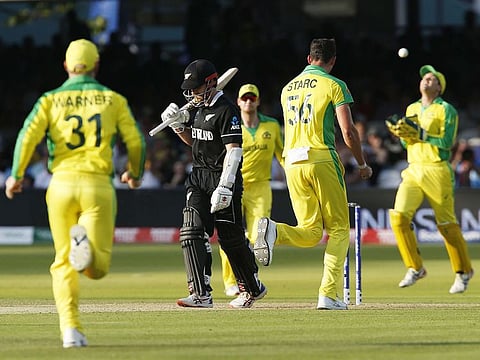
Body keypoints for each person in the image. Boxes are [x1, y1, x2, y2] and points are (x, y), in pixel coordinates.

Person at [4, 39, 146, 348]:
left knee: (62, 263)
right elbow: (135, 142)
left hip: (61, 185)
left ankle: (70, 329)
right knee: (98, 269)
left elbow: (27, 136)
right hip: (97, 185)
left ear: (66, 66)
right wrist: (134, 174)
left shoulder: (48, 100)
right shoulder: (113, 99)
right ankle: (86, 255)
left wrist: (16, 176)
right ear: (97, 65)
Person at [253, 38, 373, 310]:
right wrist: (362, 164)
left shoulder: (286, 89)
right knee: (340, 229)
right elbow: (349, 132)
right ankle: (328, 294)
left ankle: (276, 231)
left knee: (309, 231)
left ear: (309, 59)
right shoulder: (335, 85)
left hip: (292, 162)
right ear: (332, 61)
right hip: (321, 159)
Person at [159, 59, 267, 308]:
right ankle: (200, 294)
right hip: (199, 176)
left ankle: (251, 287)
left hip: (223, 177)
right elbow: (194, 141)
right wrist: (177, 125)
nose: (192, 93)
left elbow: (234, 150)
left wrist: (225, 186)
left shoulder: (227, 110)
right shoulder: (197, 108)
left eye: (196, 88)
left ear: (210, 83)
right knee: (191, 230)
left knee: (230, 238)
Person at [385, 65, 474, 293]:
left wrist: (421, 134)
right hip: (414, 168)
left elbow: (446, 143)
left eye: (432, 78)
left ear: (439, 87)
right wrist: (401, 135)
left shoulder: (447, 110)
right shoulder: (412, 107)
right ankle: (415, 267)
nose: (427, 80)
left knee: (445, 225)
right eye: (425, 77)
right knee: (398, 218)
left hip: (437, 169)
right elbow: (407, 143)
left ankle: (464, 271)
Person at [219, 84, 284, 296]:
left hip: (261, 187)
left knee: (259, 235)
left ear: (258, 101)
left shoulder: (272, 126)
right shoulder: (231, 125)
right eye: (244, 98)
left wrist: (295, 178)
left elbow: (282, 156)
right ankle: (231, 282)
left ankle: (246, 273)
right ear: (238, 102)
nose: (248, 102)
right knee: (229, 234)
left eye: (252, 98)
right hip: (236, 186)